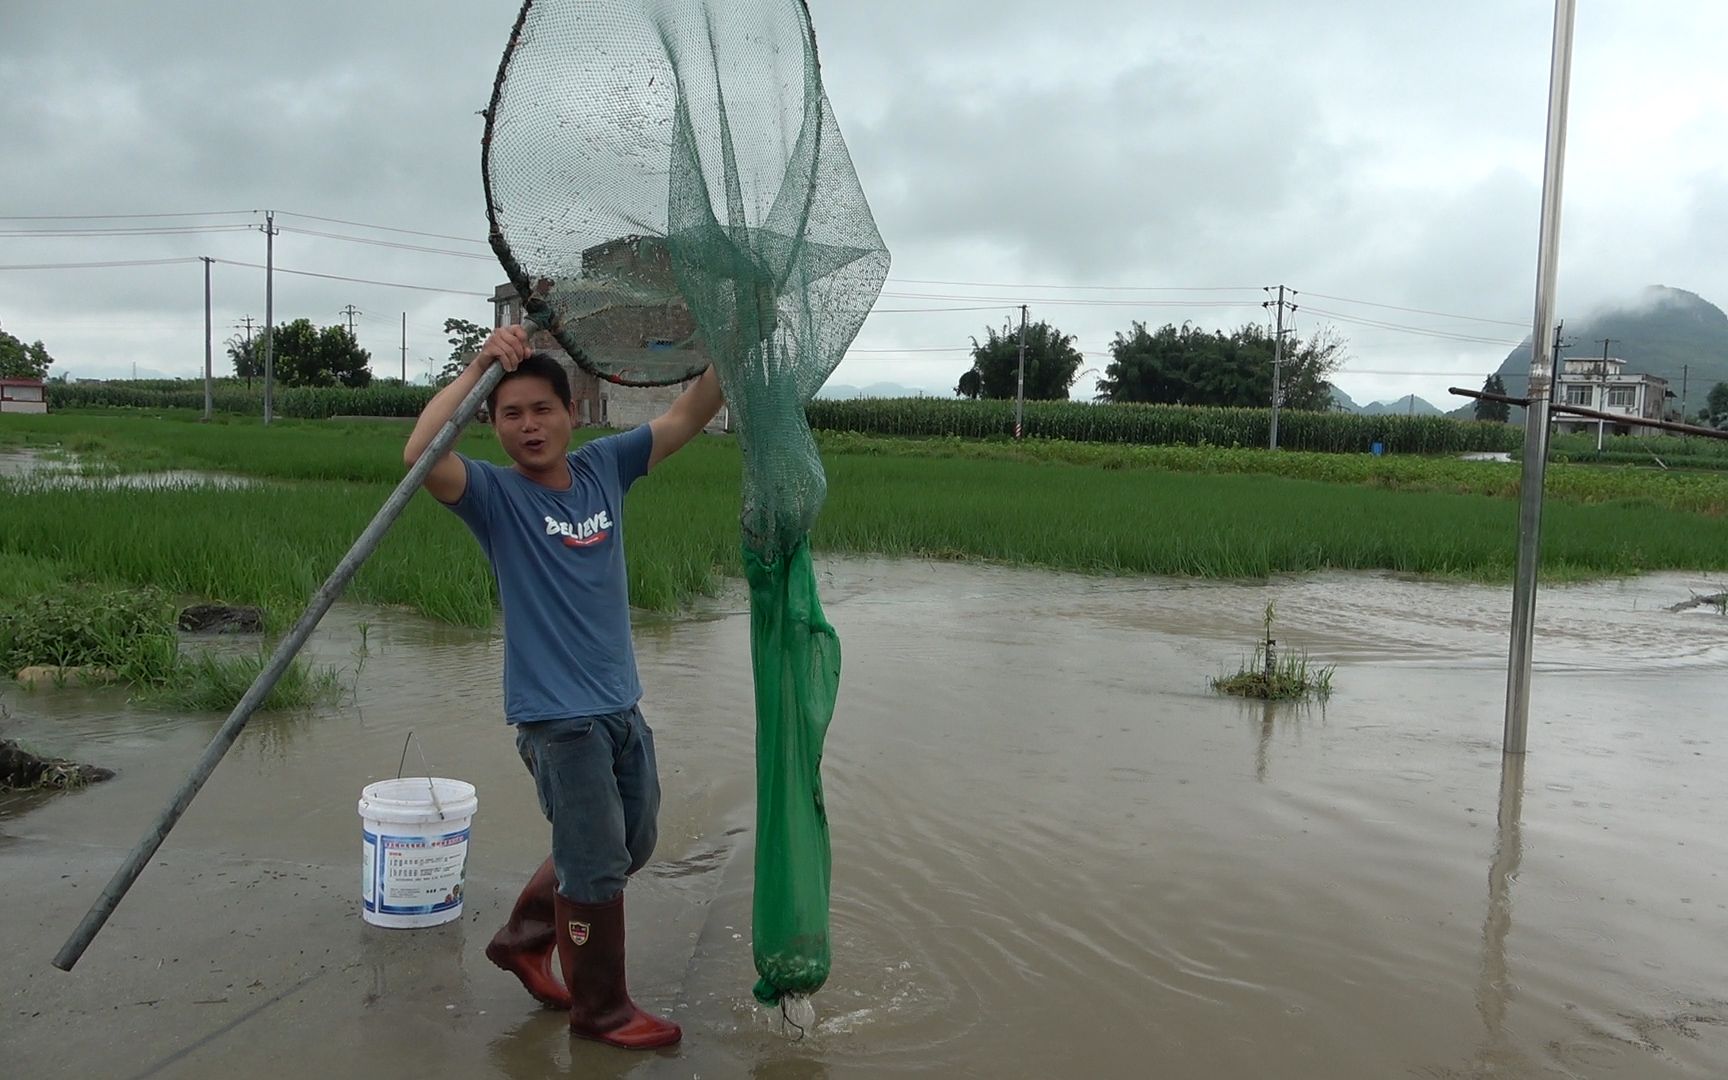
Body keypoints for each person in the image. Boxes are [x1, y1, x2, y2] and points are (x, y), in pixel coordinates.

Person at [403, 324, 724, 1049]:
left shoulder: (604, 467)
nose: (529, 425)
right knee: (595, 863)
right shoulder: (494, 495)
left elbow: (684, 416)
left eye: (542, 409)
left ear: (570, 412)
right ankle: (601, 1010)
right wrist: (478, 367)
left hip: (620, 704)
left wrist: (731, 359)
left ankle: (524, 939)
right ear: (491, 424)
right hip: (558, 719)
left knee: (632, 841)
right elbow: (422, 454)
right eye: (510, 414)